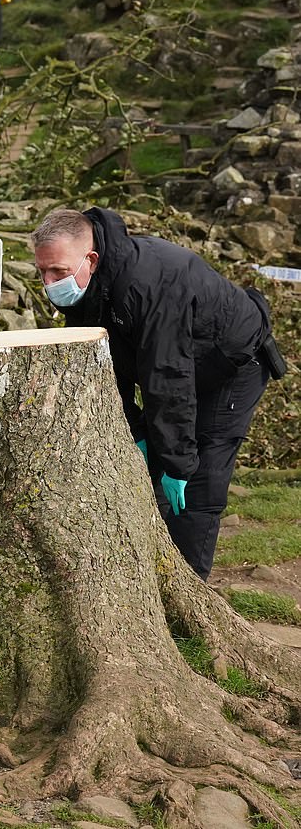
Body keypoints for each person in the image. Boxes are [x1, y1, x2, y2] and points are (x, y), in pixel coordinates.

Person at [32, 207, 284, 581]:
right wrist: (136, 430)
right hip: (179, 366)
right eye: (42, 271)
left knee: (198, 479)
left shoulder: (147, 283)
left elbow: (168, 375)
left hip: (231, 365)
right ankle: (147, 577)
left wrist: (178, 462)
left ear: (91, 258)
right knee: (150, 466)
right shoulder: (86, 289)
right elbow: (103, 366)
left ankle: (188, 593)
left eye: (58, 272)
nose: (50, 282)